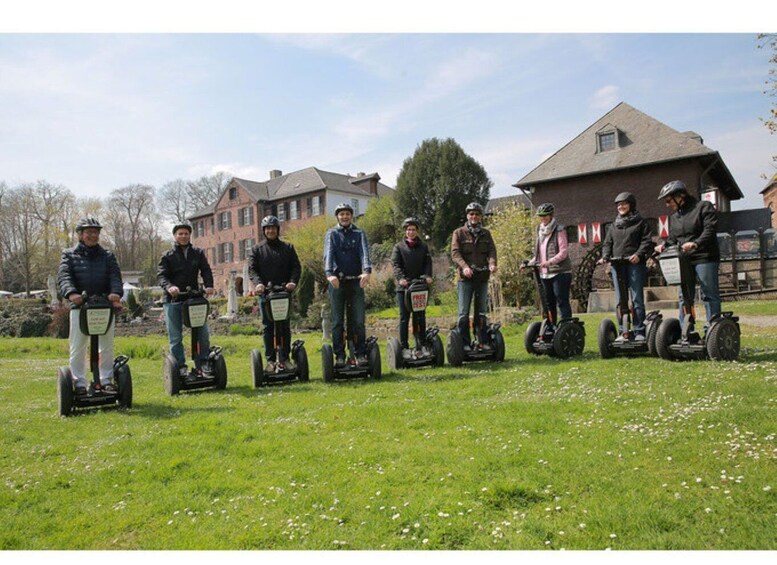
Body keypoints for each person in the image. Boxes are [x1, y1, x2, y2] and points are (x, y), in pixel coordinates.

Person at [57, 217, 123, 396]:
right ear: (80, 235)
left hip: (103, 307)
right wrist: (72, 293)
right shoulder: (69, 255)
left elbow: (115, 276)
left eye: (96, 232)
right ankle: (79, 382)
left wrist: (115, 292)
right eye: (89, 232)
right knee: (78, 346)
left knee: (106, 346)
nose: (93, 235)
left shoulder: (107, 256)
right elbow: (64, 277)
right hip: (80, 307)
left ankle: (106, 380)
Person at [654, 179, 721, 325]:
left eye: (668, 200)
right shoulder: (675, 217)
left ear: (680, 196)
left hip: (705, 257)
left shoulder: (703, 207)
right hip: (684, 260)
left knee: (708, 294)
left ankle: (712, 329)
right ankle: (686, 331)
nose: (667, 205)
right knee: (683, 296)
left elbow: (710, 229)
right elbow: (673, 238)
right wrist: (663, 246)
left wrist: (696, 244)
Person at [157, 222, 215, 379]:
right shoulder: (167, 256)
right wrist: (170, 287)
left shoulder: (197, 253)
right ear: (175, 236)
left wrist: (209, 285)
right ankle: (180, 367)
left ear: (190, 235)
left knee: (202, 333)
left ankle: (202, 362)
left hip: (194, 298)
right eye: (180, 234)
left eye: (186, 234)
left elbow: (206, 270)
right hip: (173, 300)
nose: (183, 236)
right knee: (176, 337)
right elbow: (162, 275)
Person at [597, 192, 654, 341]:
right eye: (618, 205)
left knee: (636, 298)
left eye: (624, 204)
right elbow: (607, 243)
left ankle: (639, 330)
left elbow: (647, 241)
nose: (621, 207)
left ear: (631, 205)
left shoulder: (640, 222)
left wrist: (639, 254)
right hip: (617, 265)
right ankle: (624, 331)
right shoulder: (614, 225)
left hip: (635, 264)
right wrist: (605, 256)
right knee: (620, 300)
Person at [248, 215, 302, 372]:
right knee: (268, 327)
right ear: (264, 231)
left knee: (285, 326)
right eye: (267, 228)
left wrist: (292, 281)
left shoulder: (288, 248)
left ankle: (285, 358)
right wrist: (258, 284)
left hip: (284, 293)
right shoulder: (257, 250)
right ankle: (270, 360)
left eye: (273, 228)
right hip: (265, 295)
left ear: (278, 230)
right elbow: (252, 269)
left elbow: (296, 267)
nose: (270, 231)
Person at [323, 202, 372, 367]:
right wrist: (330, 274)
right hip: (337, 283)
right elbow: (328, 255)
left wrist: (366, 271)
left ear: (351, 216)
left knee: (358, 320)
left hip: (356, 281)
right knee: (337, 321)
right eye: (341, 214)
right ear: (337, 216)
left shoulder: (359, 233)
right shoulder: (331, 234)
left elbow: (365, 253)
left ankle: (360, 353)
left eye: (347, 214)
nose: (344, 217)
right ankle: (340, 355)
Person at [450, 202, 497, 351]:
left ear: (480, 216)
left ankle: (481, 341)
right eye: (471, 214)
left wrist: (492, 264)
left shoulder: (486, 233)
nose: (474, 216)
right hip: (465, 279)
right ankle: (464, 344)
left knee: (481, 311)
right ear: (467, 216)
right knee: (464, 313)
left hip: (482, 277)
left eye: (477, 214)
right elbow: (455, 253)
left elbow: (492, 251)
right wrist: (464, 267)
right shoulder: (459, 233)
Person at [391, 217, 433, 356]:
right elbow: (396, 265)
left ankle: (421, 344)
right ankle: (404, 346)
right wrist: (401, 278)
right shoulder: (399, 247)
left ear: (417, 231)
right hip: (404, 288)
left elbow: (428, 263)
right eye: (408, 229)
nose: (411, 232)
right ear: (405, 231)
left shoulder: (423, 246)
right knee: (404, 317)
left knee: (420, 316)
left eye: (413, 230)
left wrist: (427, 275)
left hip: (419, 286)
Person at [526, 203, 572, 324]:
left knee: (561, 301)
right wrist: (529, 263)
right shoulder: (539, 231)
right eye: (540, 216)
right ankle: (551, 327)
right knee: (548, 303)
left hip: (560, 272)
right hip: (544, 274)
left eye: (545, 215)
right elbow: (538, 254)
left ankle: (566, 327)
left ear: (551, 215)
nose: (543, 218)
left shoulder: (559, 229)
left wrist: (549, 262)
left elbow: (563, 252)